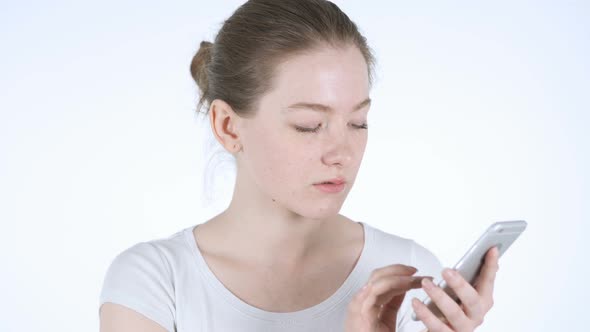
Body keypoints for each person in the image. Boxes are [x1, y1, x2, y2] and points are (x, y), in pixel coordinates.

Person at [98, 1, 499, 331]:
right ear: (228, 126)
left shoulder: (407, 276)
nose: (342, 151)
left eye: (358, 122)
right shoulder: (154, 282)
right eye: (309, 125)